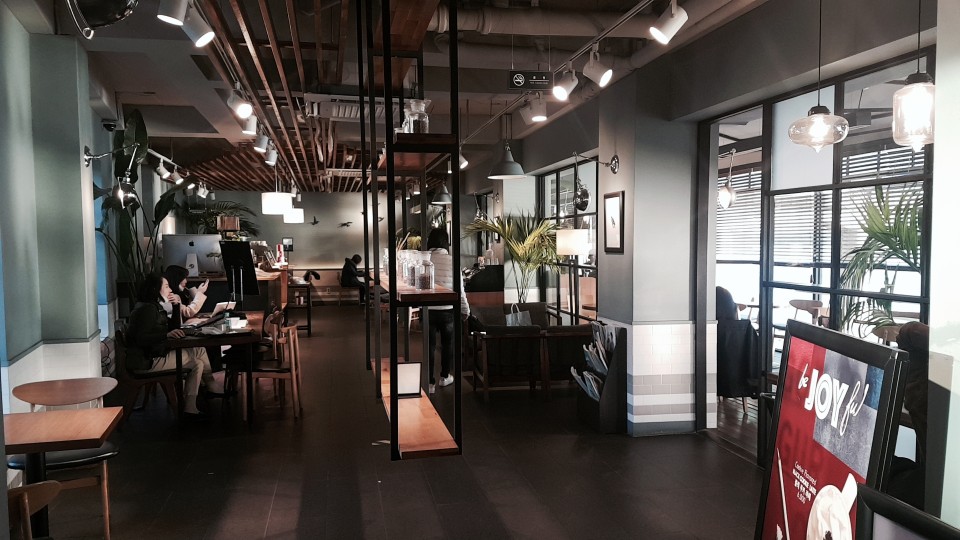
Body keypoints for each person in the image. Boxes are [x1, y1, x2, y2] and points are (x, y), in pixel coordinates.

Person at [125, 274, 223, 418]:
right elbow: (141, 338)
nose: (170, 290)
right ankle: (205, 391)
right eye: (166, 286)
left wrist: (176, 306)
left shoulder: (152, 306)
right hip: (147, 361)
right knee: (198, 356)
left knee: (198, 357)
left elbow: (174, 326)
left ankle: (194, 403)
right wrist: (165, 335)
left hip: (151, 356)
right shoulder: (148, 309)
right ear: (155, 289)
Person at [424, 228, 470, 392]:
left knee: (429, 346)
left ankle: (430, 383)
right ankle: (444, 376)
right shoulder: (452, 261)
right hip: (448, 309)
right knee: (447, 344)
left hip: (428, 309)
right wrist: (465, 310)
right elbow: (460, 290)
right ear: (446, 242)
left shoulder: (425, 260)